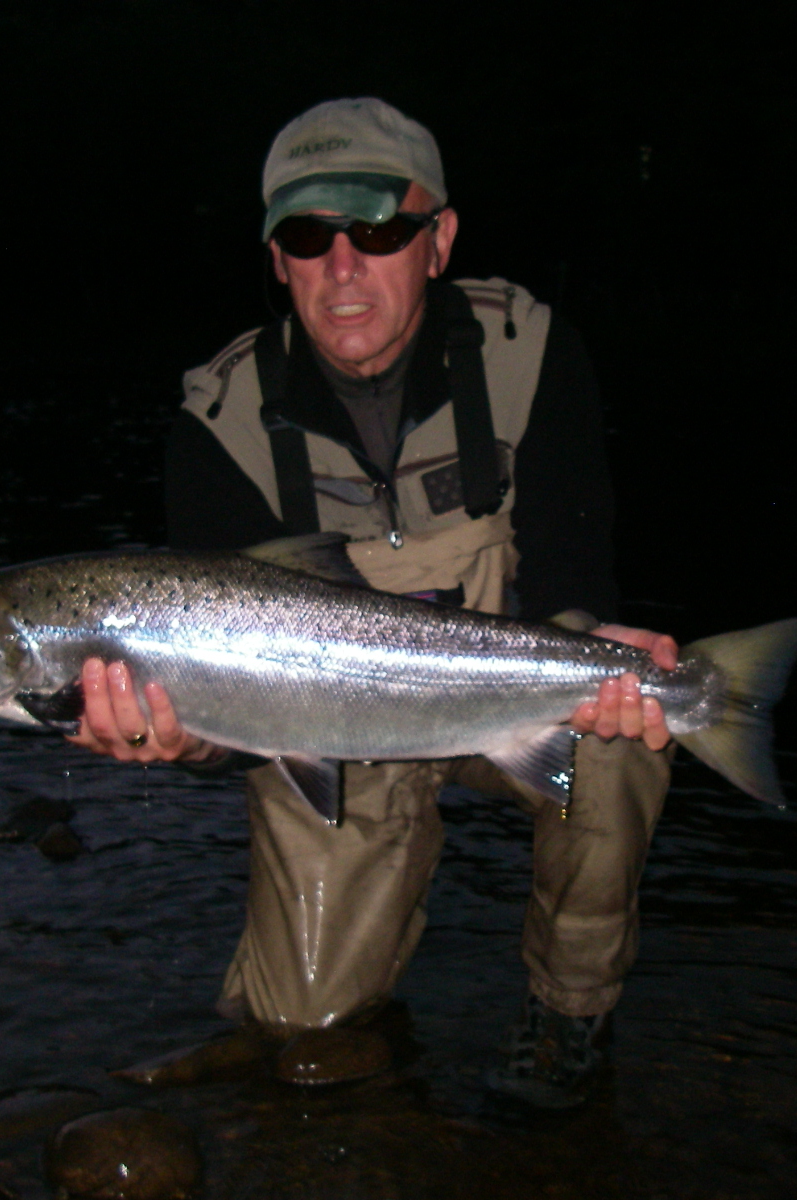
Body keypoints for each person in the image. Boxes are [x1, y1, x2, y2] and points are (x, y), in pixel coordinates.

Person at [70, 98, 678, 1109]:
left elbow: (572, 577)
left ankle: (568, 1016)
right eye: (309, 237)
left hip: (508, 699)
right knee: (299, 1034)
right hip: (319, 732)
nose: (343, 266)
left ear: (439, 240)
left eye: (380, 230)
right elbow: (227, 701)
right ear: (278, 260)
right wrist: (182, 740)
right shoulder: (220, 423)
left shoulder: (530, 355)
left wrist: (600, 643)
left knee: (621, 739)